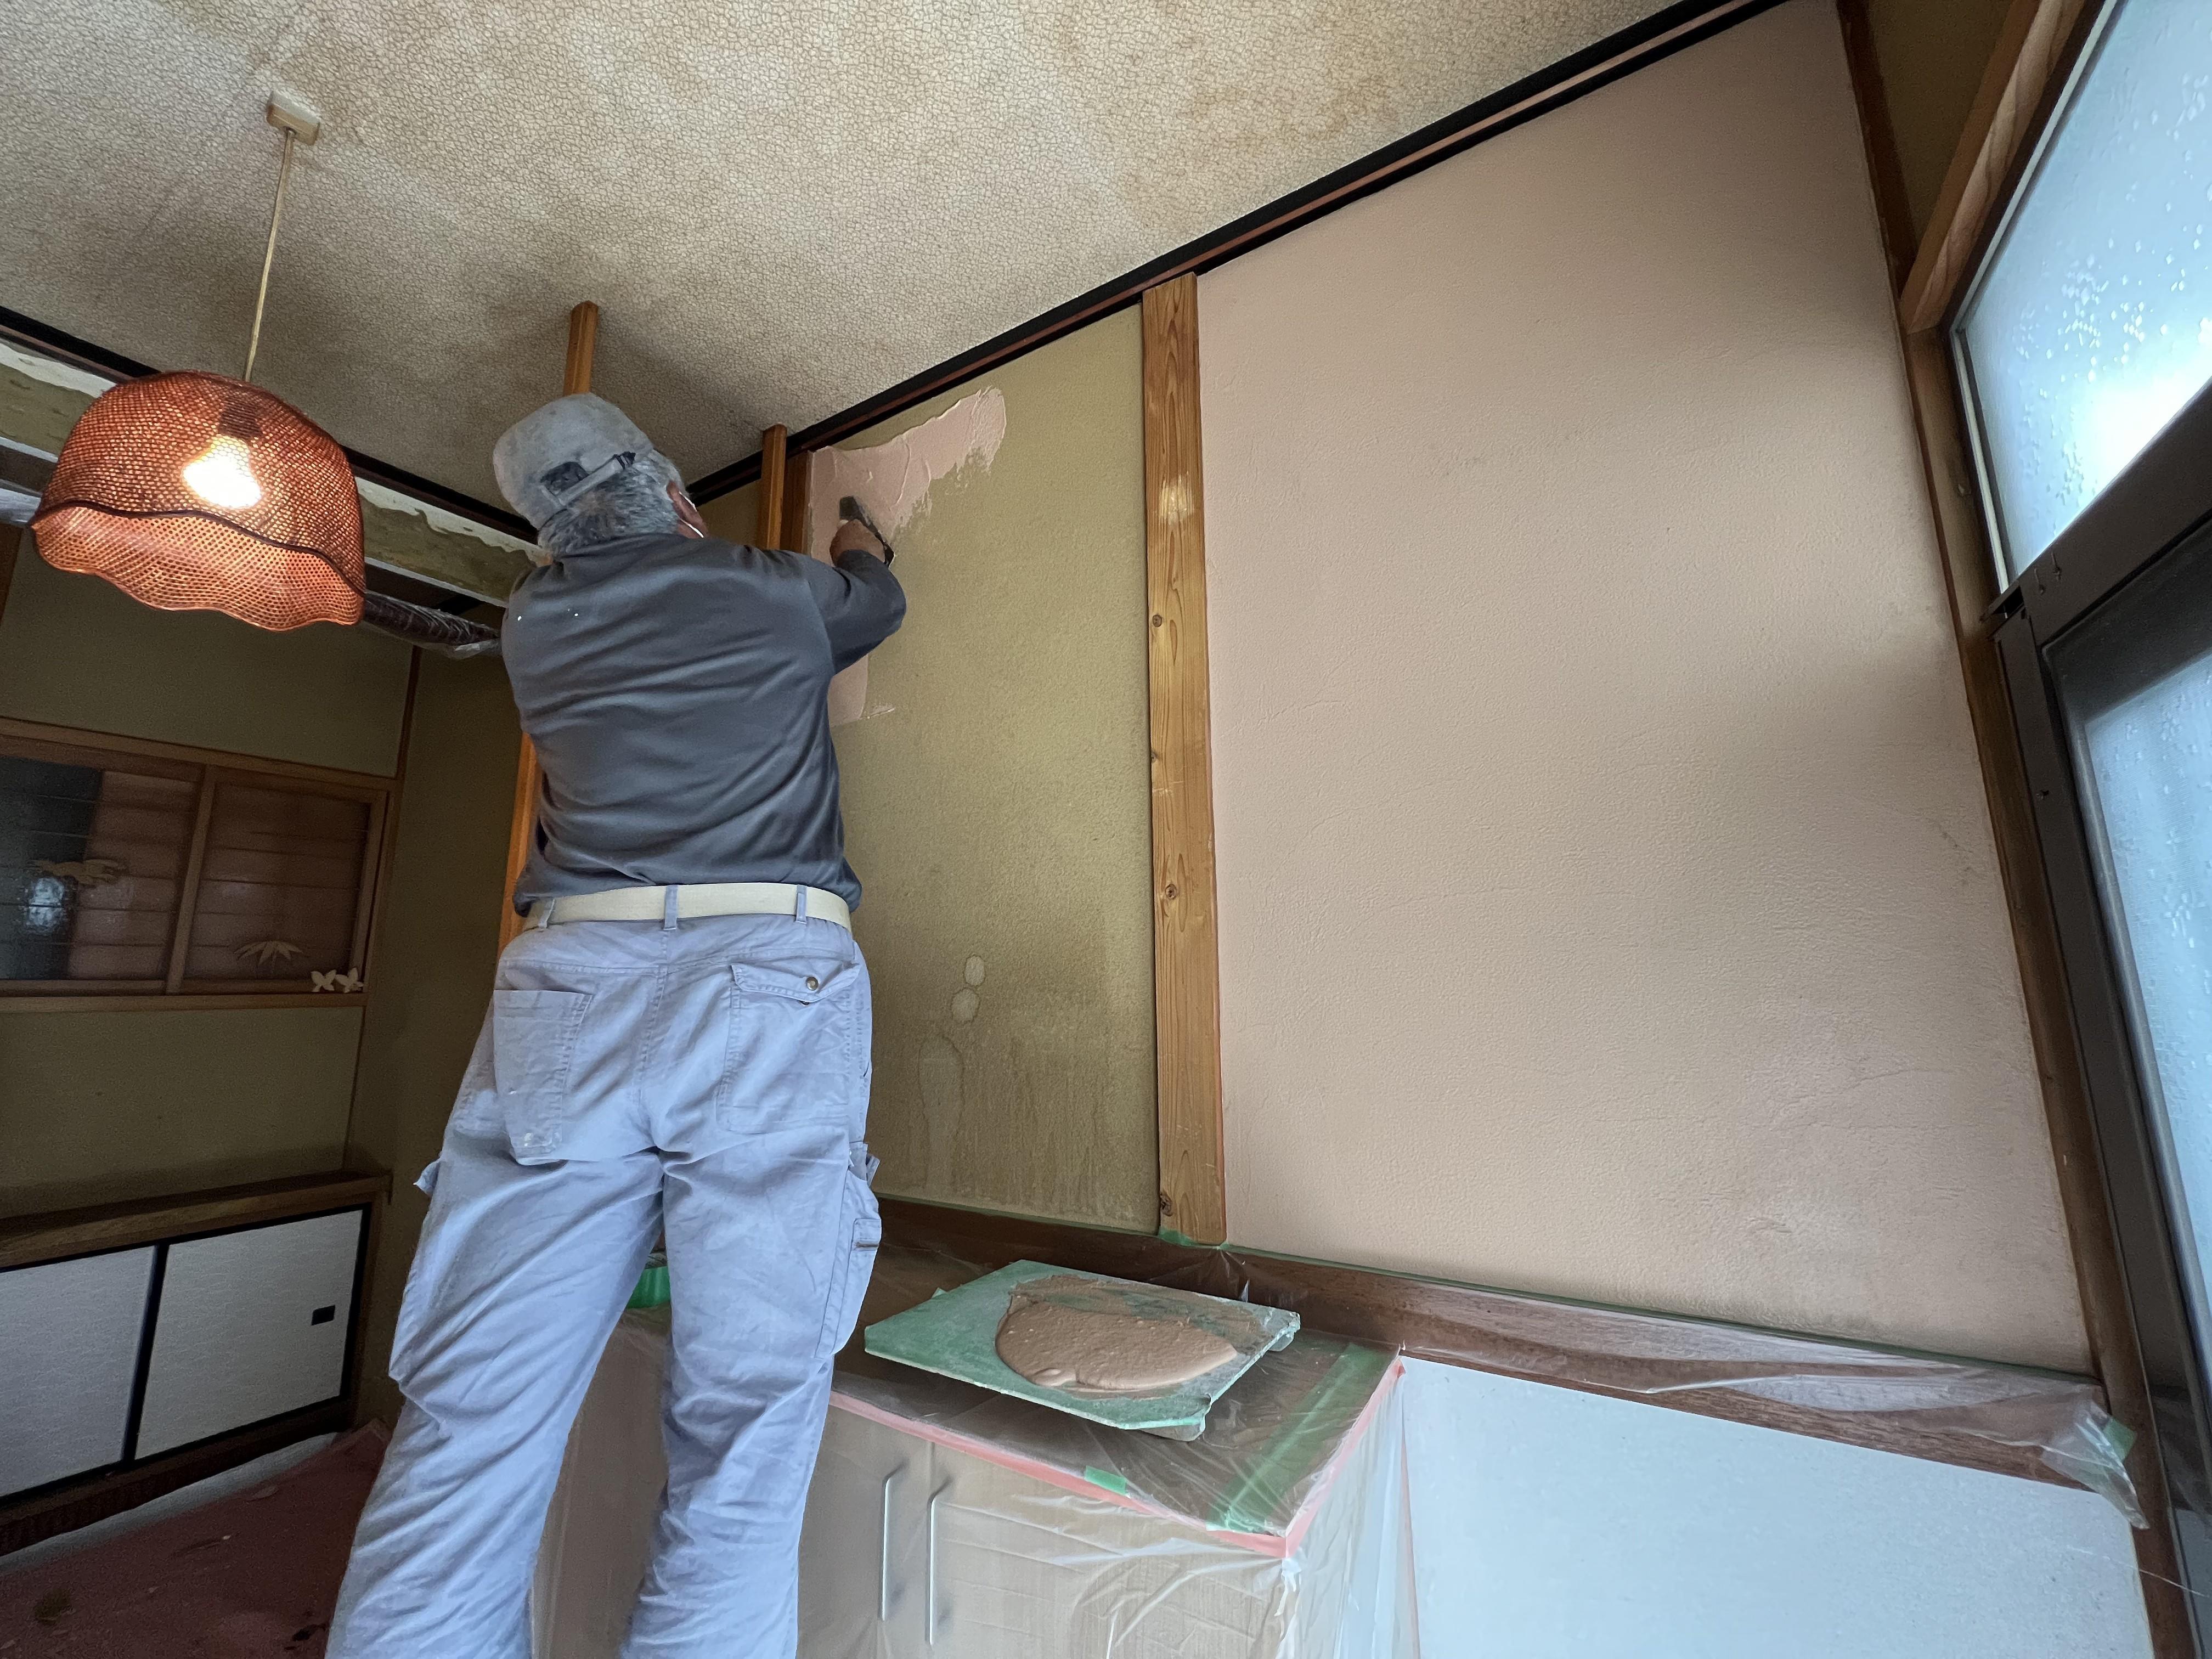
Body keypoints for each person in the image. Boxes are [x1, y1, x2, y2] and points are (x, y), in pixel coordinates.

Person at [327, 393, 905, 1658]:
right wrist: (860, 540)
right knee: (743, 1433)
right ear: (672, 497)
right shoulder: (767, 590)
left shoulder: (535, 621)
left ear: (552, 537)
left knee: (474, 1421)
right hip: (765, 982)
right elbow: (876, 604)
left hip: (571, 989)